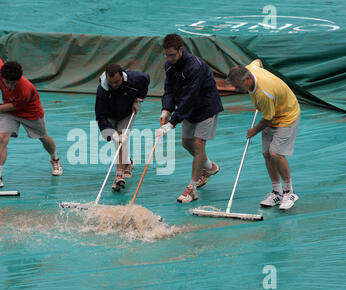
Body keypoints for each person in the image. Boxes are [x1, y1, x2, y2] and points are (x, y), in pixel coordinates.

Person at [156, 33, 224, 203]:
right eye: (166, 55)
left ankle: (192, 189)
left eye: (172, 54)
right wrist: (166, 109)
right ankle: (209, 167)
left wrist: (172, 122)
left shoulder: (195, 67)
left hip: (206, 108)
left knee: (198, 144)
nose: (169, 58)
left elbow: (190, 97)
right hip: (189, 111)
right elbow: (169, 90)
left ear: (181, 50)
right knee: (186, 143)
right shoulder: (169, 66)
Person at [226, 59, 301, 210]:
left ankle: (289, 192)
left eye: (237, 85)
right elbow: (258, 62)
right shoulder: (249, 69)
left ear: (247, 79)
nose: (235, 89)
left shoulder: (264, 93)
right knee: (267, 153)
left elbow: (268, 118)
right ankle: (277, 192)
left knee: (276, 153)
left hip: (286, 116)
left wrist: (254, 130)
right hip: (271, 112)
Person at [0, 54, 63, 189]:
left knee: (44, 138)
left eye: (14, 83)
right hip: (9, 112)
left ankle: (55, 159)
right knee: (2, 138)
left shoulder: (25, 88)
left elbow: (16, 106)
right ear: (2, 77)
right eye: (8, 83)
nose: (11, 86)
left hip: (30, 113)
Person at [95, 63, 150, 191]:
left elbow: (146, 79)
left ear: (122, 76)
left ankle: (119, 175)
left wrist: (139, 100)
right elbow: (100, 115)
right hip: (110, 115)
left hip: (127, 113)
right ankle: (127, 162)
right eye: (111, 82)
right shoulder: (102, 90)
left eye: (117, 82)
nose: (114, 85)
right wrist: (109, 133)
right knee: (116, 139)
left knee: (121, 138)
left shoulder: (135, 79)